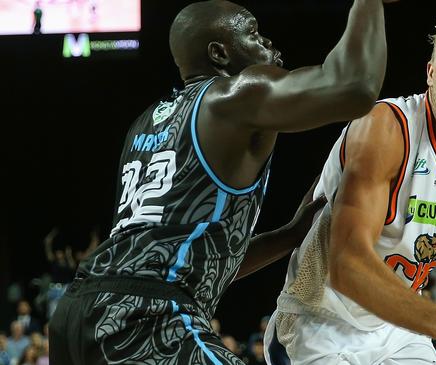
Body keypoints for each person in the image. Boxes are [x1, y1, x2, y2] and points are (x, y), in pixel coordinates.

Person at [48, 0, 396, 364]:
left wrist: (290, 235)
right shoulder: (234, 95)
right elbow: (354, 85)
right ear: (220, 53)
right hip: (146, 317)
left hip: (78, 313)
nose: (269, 44)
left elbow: (182, 255)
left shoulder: (145, 124)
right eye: (253, 33)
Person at [265, 4, 436, 365]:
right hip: (317, 320)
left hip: (398, 331)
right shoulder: (384, 127)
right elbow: (347, 266)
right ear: (431, 71)